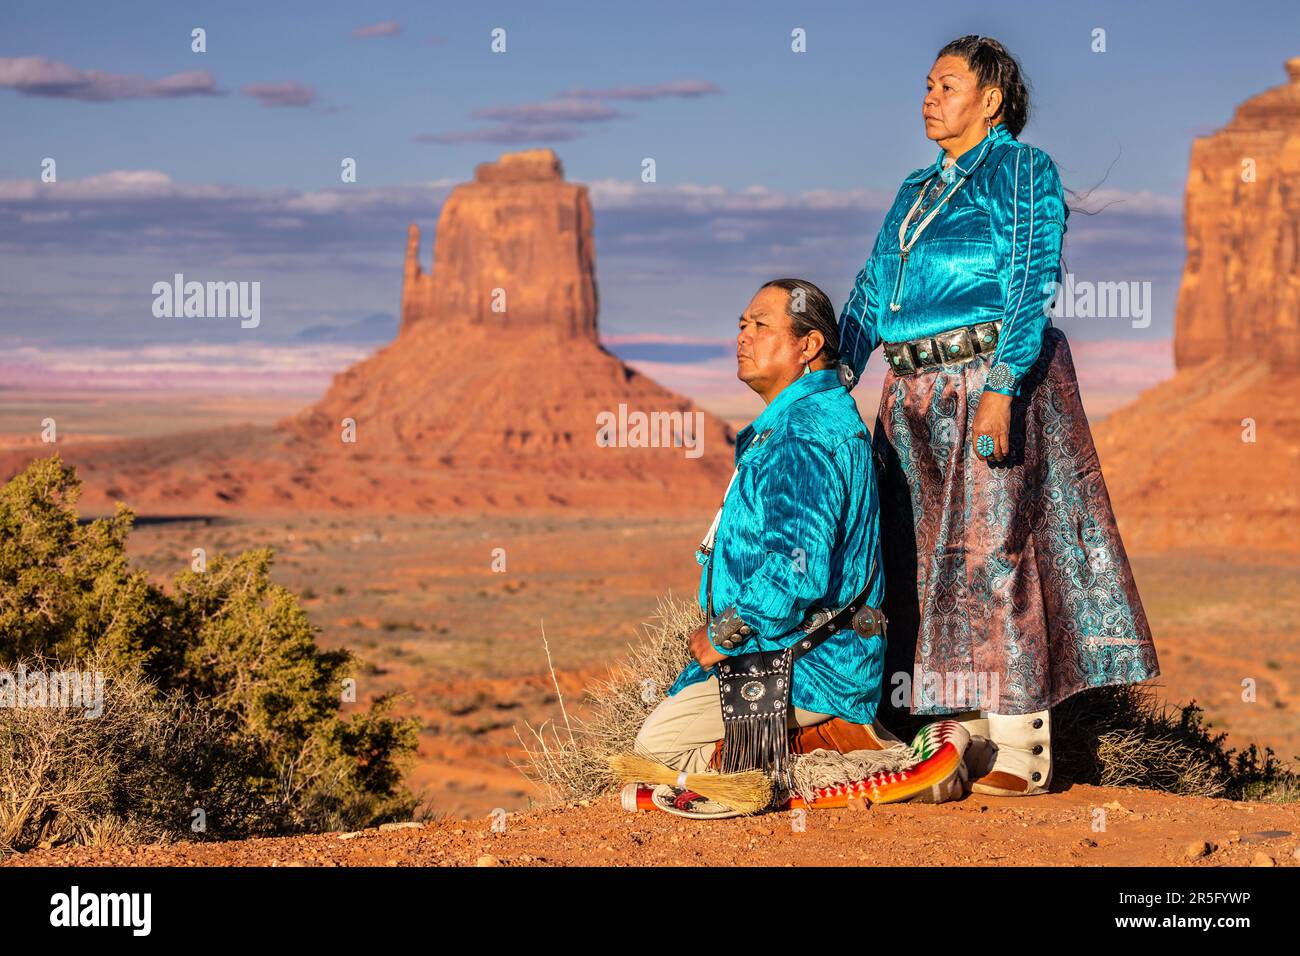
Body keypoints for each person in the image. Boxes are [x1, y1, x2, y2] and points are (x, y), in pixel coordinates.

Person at [837, 35, 1159, 796]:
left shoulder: (1021, 170)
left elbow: (1031, 273)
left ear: (991, 99)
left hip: (985, 379)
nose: (929, 96)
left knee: (993, 553)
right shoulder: (914, 191)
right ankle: (959, 736)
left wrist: (1003, 384)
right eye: (925, 84)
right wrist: (824, 383)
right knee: (922, 562)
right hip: (910, 396)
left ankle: (1022, 746)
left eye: (946, 84)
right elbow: (868, 292)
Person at [634, 278, 900, 776]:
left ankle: (835, 753)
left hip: (811, 666)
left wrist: (726, 632)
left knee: (658, 749)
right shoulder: (804, 420)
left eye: (760, 325)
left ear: (809, 345)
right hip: (787, 649)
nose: (743, 336)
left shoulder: (803, 434)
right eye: (741, 325)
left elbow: (796, 567)